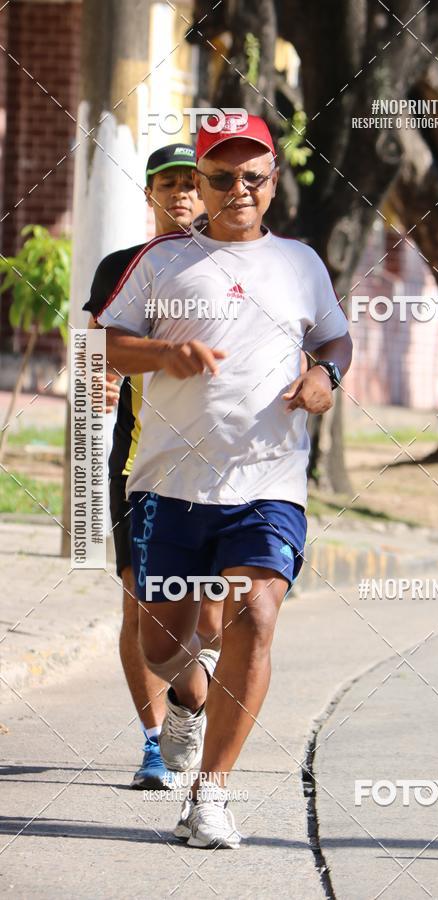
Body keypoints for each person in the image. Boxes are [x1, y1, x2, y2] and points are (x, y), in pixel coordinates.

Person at [94, 113, 352, 848]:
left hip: (267, 482)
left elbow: (334, 332)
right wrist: (157, 355)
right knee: (161, 647)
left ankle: (210, 795)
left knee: (257, 615)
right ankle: (184, 696)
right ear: (200, 184)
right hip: (168, 487)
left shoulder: (302, 262)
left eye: (252, 176)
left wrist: (325, 373)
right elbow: (103, 342)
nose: (237, 189)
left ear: (272, 183)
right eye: (220, 176)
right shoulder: (162, 263)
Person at [84, 143, 223, 789]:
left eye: (191, 183)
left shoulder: (236, 261)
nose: (180, 195)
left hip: (225, 464)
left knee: (213, 615)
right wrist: (102, 377)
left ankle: (188, 708)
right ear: (149, 195)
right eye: (166, 184)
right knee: (143, 603)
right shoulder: (124, 266)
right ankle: (151, 740)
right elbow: (96, 344)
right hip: (144, 461)